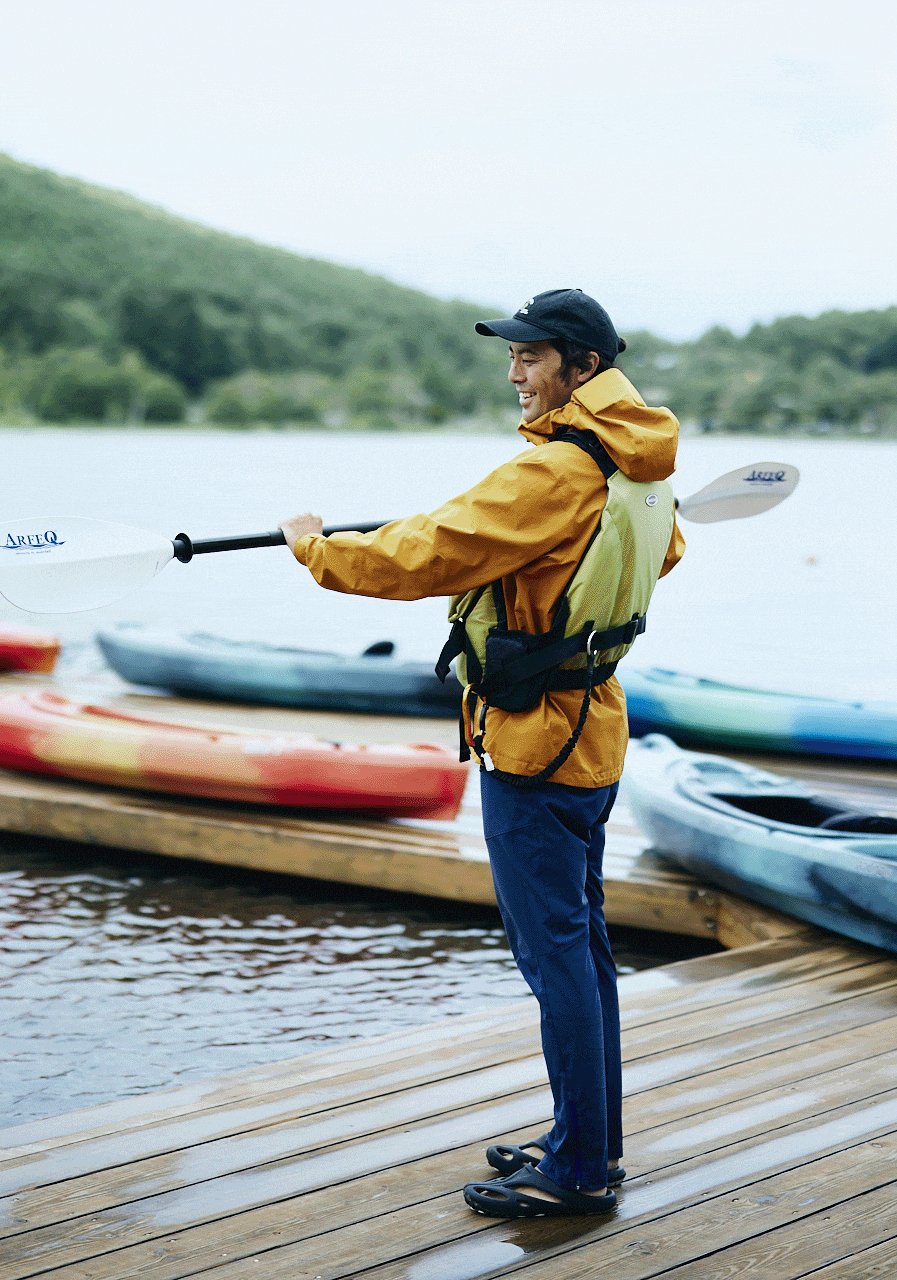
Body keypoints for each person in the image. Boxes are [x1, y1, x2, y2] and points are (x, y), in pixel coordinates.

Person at [277, 288, 684, 1218]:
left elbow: (423, 558)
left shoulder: (557, 473)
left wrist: (316, 549)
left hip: (535, 743)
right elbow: (663, 554)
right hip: (595, 732)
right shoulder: (637, 460)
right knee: (584, 953)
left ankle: (579, 1170)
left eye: (532, 357)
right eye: (513, 356)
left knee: (557, 960)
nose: (515, 373)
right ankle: (589, 1140)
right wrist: (542, 552)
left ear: (581, 368)